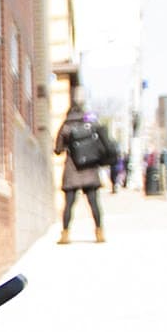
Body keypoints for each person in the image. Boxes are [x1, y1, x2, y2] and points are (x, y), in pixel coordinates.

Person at [55, 103, 113, 243]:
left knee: (69, 204)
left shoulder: (65, 127)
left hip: (72, 170)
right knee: (94, 203)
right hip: (90, 169)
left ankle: (65, 234)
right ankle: (99, 233)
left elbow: (57, 150)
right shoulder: (90, 125)